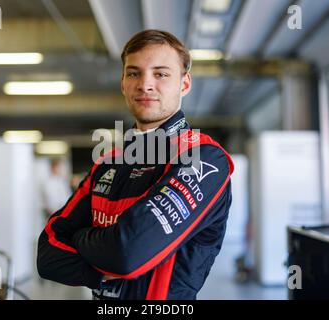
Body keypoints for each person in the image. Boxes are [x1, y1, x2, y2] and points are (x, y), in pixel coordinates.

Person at [37, 29, 234, 300]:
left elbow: (128, 253)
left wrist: (82, 237)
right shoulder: (107, 163)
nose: (145, 84)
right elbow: (47, 254)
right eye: (134, 73)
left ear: (184, 84)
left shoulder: (203, 158)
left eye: (161, 74)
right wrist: (105, 260)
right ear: (123, 83)